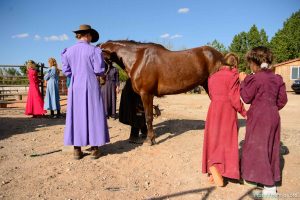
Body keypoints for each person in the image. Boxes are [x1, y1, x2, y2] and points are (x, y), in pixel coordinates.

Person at [239, 46, 288, 196]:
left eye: (250, 64)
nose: (249, 67)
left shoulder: (255, 78)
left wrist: (243, 81)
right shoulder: (277, 78)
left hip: (259, 116)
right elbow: (282, 100)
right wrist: (271, 108)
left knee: (257, 147)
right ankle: (260, 178)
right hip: (273, 115)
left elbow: (246, 97)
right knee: (270, 148)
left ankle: (269, 186)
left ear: (255, 62)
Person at [61, 24, 109, 160]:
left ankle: (77, 149)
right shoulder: (94, 51)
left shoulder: (68, 51)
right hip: (91, 84)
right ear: (88, 35)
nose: (91, 38)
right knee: (93, 114)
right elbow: (99, 70)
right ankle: (94, 149)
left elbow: (67, 71)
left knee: (76, 114)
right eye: (91, 36)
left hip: (76, 86)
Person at [202, 54, 247, 187]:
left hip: (214, 110)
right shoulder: (233, 75)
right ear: (235, 64)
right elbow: (234, 99)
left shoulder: (212, 76)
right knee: (227, 140)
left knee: (214, 139)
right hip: (227, 111)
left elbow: (211, 94)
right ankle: (216, 169)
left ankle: (214, 168)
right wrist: (244, 113)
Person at [119, 79, 147, 144]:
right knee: (138, 113)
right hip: (134, 95)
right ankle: (134, 136)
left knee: (140, 113)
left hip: (133, 93)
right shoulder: (136, 76)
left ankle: (145, 131)